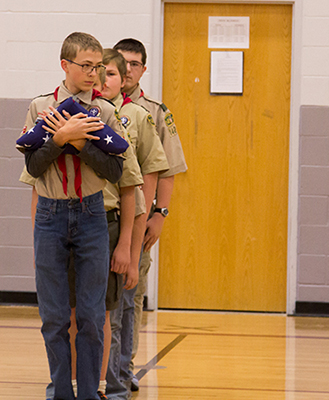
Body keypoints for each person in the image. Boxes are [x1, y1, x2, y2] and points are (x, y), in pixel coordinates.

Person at [23, 51, 144, 400]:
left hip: (92, 214)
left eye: (98, 68)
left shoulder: (105, 112)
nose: (94, 74)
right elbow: (33, 168)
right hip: (51, 213)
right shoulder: (41, 107)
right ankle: (61, 392)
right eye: (86, 66)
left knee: (92, 317)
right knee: (55, 317)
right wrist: (59, 138)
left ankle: (91, 393)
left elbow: (116, 172)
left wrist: (78, 141)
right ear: (65, 65)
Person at [113, 38, 188, 392]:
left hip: (139, 220)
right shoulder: (96, 106)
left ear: (143, 69)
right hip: (101, 219)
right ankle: (95, 369)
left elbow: (168, 169)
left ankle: (123, 369)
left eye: (134, 64)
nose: (127, 70)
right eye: (121, 62)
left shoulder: (154, 112)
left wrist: (160, 214)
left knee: (131, 296)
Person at [100, 48, 169, 400]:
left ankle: (119, 378)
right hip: (91, 225)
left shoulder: (142, 115)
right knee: (95, 310)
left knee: (126, 303)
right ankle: (93, 379)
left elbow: (153, 174)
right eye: (105, 71)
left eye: (116, 72)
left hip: (128, 223)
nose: (110, 78)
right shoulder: (85, 112)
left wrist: (153, 218)